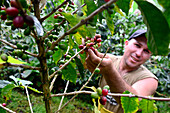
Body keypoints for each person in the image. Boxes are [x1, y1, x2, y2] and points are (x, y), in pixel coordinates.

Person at [85, 29, 158, 113]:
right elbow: (85, 63)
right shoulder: (111, 59)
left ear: (149, 56)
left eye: (146, 51)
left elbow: (134, 102)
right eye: (137, 45)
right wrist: (86, 50)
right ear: (126, 44)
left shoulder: (150, 80)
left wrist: (110, 72)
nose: (138, 53)